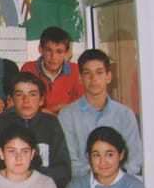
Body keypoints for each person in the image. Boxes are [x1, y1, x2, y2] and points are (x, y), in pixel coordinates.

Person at [59, 49, 142, 177]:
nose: (94, 79)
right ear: (80, 78)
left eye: (99, 72)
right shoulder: (67, 116)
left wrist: (114, 175)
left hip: (120, 182)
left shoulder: (125, 115)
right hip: (84, 184)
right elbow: (70, 164)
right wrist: (96, 175)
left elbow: (135, 161)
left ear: (109, 76)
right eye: (87, 73)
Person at [0, 72, 71, 188]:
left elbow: (63, 168)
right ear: (11, 100)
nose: (26, 100)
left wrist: (31, 176)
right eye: (19, 94)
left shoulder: (51, 124)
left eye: (32, 94)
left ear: (41, 100)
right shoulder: (0, 124)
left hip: (43, 187)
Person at [20, 26, 83, 114]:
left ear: (67, 53)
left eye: (59, 52)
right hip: (36, 120)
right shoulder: (29, 69)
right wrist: (55, 108)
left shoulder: (76, 71)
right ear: (40, 50)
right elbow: (22, 104)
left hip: (67, 120)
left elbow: (84, 105)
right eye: (48, 50)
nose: (53, 57)